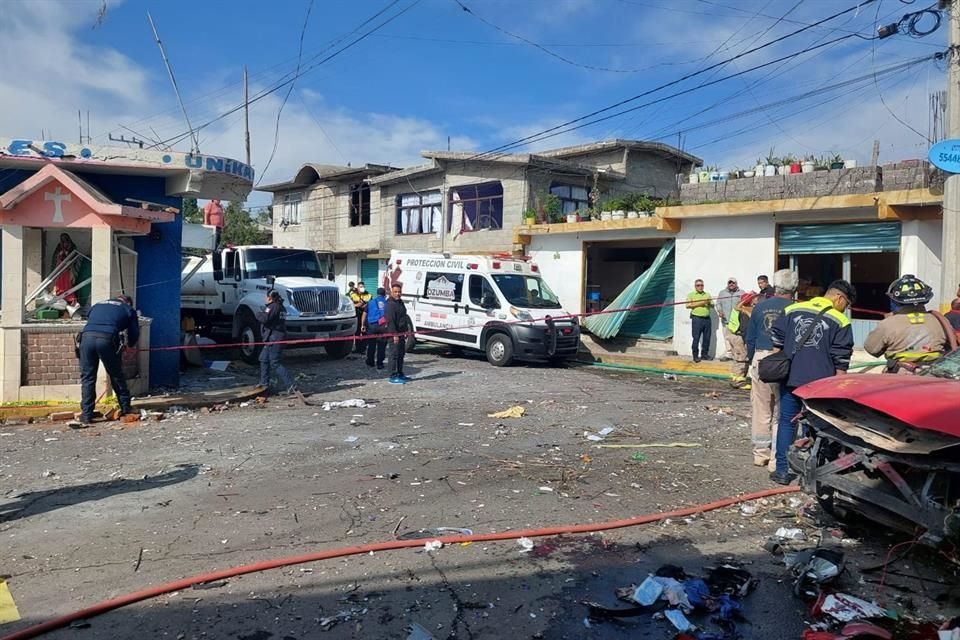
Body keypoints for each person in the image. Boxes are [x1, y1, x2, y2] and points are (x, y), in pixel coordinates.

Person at [769, 280, 856, 485]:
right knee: (819, 427)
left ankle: (782, 471)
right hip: (821, 384)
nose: (846, 309)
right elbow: (841, 358)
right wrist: (839, 389)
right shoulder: (840, 320)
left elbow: (776, 338)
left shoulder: (793, 308)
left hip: (790, 377)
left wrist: (781, 364)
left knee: (787, 422)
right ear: (839, 298)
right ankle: (815, 473)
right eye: (847, 305)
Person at [746, 269, 798, 470]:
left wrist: (752, 361)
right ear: (794, 288)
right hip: (784, 360)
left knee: (760, 408)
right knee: (782, 412)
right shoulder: (796, 308)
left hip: (761, 357)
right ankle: (777, 459)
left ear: (775, 286)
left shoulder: (760, 307)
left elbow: (750, 338)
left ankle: (760, 454)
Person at [69, 295, 139, 428]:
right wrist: (130, 344)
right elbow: (134, 332)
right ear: (128, 303)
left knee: (88, 377)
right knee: (116, 375)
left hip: (86, 339)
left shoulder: (97, 305)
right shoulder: (128, 309)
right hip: (107, 339)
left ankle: (86, 415)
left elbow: (91, 319)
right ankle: (125, 408)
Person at [863, 275, 954, 373]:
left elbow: (872, 349)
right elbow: (951, 348)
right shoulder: (940, 321)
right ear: (926, 299)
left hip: (900, 374)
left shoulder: (887, 324)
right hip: (934, 374)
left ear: (894, 300)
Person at [256, 289, 295, 394]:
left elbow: (264, 319)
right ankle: (264, 383)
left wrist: (258, 313)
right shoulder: (280, 307)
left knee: (275, 363)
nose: (265, 299)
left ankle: (291, 386)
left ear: (270, 297)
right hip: (272, 338)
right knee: (263, 359)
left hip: (274, 338)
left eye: (266, 297)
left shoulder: (273, 307)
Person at [725, 292, 756, 389]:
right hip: (739, 338)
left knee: (737, 358)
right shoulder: (744, 311)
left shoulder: (738, 308)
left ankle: (735, 378)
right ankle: (739, 381)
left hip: (733, 335)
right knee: (742, 359)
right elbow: (745, 328)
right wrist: (748, 341)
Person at [716, 277, 744, 364]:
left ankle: (737, 354)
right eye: (729, 283)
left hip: (737, 321)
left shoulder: (742, 293)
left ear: (736, 284)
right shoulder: (722, 293)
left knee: (737, 338)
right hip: (726, 319)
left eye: (733, 283)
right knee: (727, 337)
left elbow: (745, 303)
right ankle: (728, 354)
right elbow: (718, 304)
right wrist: (720, 311)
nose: (731, 284)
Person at [385, 283, 410, 384]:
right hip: (394, 334)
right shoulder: (390, 304)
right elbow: (390, 320)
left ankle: (400, 372)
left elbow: (403, 317)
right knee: (394, 354)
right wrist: (394, 334)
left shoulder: (400, 302)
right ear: (391, 292)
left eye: (399, 292)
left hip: (401, 332)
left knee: (401, 354)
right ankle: (392, 375)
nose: (397, 294)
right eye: (395, 292)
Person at [361, 287, 389, 370]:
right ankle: (380, 363)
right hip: (383, 326)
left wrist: (362, 325)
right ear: (384, 294)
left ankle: (370, 361)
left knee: (371, 344)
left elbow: (364, 314)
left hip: (372, 326)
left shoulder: (371, 302)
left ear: (377, 294)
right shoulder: (387, 303)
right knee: (382, 345)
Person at [686, 279, 713, 362]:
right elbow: (688, 305)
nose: (700, 287)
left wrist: (708, 303)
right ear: (695, 286)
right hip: (697, 319)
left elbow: (712, 305)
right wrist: (701, 303)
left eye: (701, 285)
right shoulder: (691, 295)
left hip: (707, 319)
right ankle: (695, 356)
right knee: (696, 338)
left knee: (707, 338)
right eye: (698, 285)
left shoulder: (707, 294)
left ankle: (704, 355)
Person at [51, 233, 80, 306]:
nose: (64, 243)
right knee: (59, 283)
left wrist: (68, 257)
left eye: (65, 239)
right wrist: (60, 254)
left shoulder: (72, 246)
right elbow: (55, 256)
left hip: (68, 269)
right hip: (60, 268)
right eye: (63, 240)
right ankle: (59, 295)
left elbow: (75, 256)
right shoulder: (59, 246)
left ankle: (69, 298)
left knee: (68, 283)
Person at [349, 283, 373, 353]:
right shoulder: (353, 295)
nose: (362, 288)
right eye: (360, 287)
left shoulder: (368, 295)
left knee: (364, 331)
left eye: (363, 287)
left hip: (365, 315)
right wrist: (357, 305)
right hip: (357, 315)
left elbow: (371, 304)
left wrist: (365, 306)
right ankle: (357, 348)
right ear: (358, 287)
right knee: (357, 332)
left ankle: (363, 348)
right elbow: (349, 304)